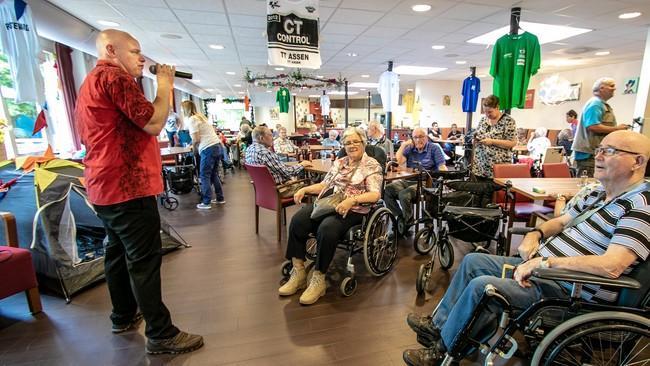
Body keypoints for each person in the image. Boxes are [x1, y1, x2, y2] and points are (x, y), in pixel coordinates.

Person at [402, 130, 650, 366]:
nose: (598, 155)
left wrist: (545, 263)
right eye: (599, 149)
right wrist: (535, 233)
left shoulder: (640, 206)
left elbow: (612, 265)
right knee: (473, 261)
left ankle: (442, 351)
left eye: (609, 150)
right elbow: (561, 221)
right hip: (545, 272)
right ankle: (439, 326)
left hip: (570, 288)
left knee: (483, 287)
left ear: (637, 161)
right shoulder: (597, 193)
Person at [74, 29, 202, 355]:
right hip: (128, 186)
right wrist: (164, 85)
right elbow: (154, 122)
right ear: (110, 50)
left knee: (115, 252)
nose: (142, 58)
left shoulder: (91, 82)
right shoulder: (114, 79)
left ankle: (123, 315)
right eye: (134, 51)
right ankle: (161, 333)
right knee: (144, 260)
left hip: (104, 186)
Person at [280, 127, 383, 305]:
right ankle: (298, 272)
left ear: (363, 142)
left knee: (327, 228)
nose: (351, 146)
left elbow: (375, 195)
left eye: (355, 142)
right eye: (347, 143)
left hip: (356, 210)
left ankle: (319, 279)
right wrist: (304, 189)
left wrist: (352, 201)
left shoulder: (372, 164)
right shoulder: (340, 162)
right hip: (333, 204)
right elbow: (324, 185)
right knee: (298, 220)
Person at [385, 127, 447, 235]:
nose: (418, 140)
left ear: (426, 137)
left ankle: (407, 223)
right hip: (408, 180)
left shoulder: (434, 148)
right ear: (412, 139)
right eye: (415, 137)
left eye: (421, 137)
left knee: (404, 195)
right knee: (387, 190)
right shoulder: (410, 149)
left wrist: (446, 180)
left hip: (425, 183)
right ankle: (401, 217)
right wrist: (404, 145)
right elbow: (398, 162)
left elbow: (442, 167)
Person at [572, 77, 630, 176]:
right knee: (587, 185)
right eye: (611, 86)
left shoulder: (600, 104)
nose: (614, 89)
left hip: (592, 153)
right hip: (589, 154)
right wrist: (617, 129)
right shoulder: (595, 104)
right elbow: (593, 126)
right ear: (601, 88)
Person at [182, 100, 225, 209]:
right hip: (217, 146)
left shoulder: (192, 120)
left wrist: (191, 146)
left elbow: (196, 139)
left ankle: (206, 202)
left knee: (204, 175)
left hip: (208, 148)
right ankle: (220, 198)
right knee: (213, 174)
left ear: (185, 110)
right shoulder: (201, 117)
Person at [471, 95, 517, 181]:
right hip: (480, 166)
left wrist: (492, 141)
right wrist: (475, 139)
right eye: (485, 112)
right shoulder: (483, 120)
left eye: (490, 112)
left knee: (492, 193)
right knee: (477, 192)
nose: (487, 114)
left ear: (497, 107)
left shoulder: (508, 121)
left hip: (497, 167)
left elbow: (512, 143)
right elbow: (478, 134)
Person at [245, 125, 311, 184]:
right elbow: (287, 172)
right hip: (279, 189)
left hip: (263, 188)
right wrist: (302, 164)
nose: (272, 138)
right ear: (261, 138)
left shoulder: (248, 150)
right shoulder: (265, 153)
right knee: (308, 188)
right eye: (270, 135)